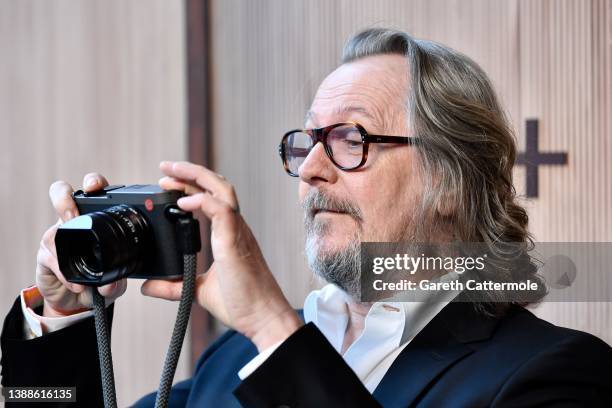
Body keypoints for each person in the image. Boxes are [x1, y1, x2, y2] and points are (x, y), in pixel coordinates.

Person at [2, 28, 611, 408]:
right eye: (308, 143)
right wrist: (56, 317)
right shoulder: (232, 358)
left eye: (351, 139)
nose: (313, 169)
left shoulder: (553, 375)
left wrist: (272, 327)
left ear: (448, 179)